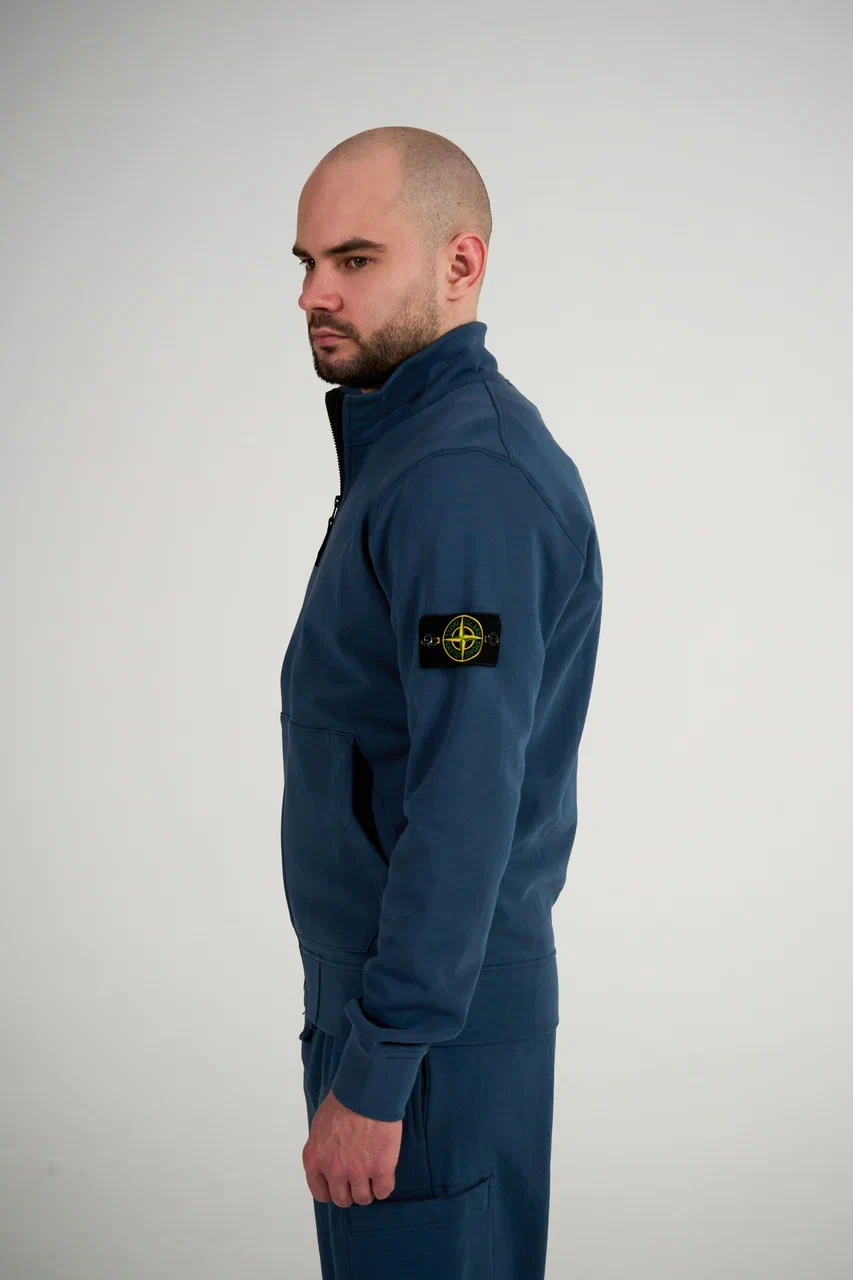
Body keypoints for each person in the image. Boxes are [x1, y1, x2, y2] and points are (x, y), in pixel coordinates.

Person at [280, 125, 603, 1279]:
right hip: (405, 1003)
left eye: (355, 259)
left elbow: (464, 801)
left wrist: (379, 1070)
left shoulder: (461, 478)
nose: (314, 294)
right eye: (307, 262)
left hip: (425, 1030)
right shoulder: (414, 450)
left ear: (461, 263)